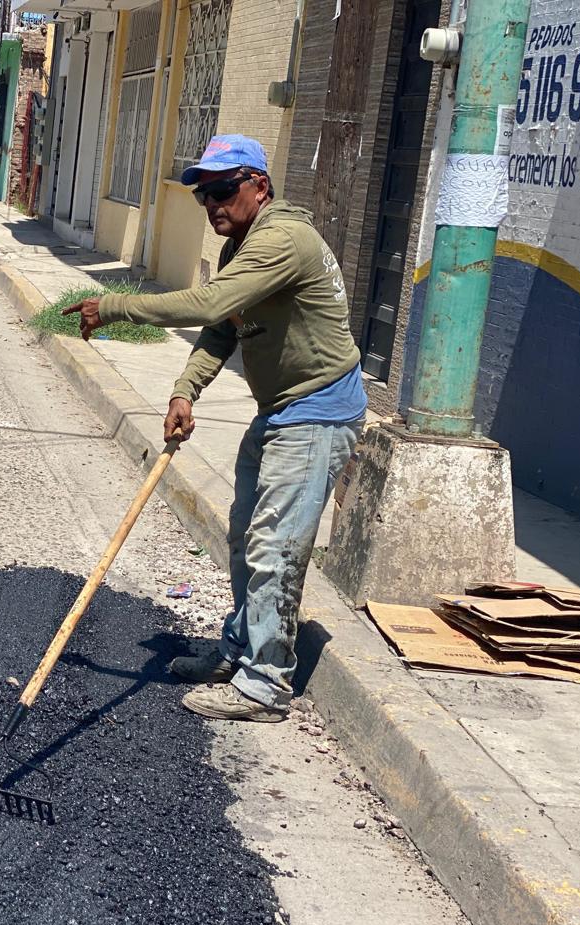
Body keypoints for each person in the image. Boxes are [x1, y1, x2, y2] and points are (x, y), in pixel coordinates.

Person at [62, 135, 366, 722]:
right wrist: (185, 388)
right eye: (204, 195)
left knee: (276, 545)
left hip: (319, 410)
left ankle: (267, 684)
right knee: (245, 535)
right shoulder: (242, 245)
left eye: (224, 190)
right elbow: (224, 327)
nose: (213, 204)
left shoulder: (282, 240)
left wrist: (117, 306)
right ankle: (240, 648)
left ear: (260, 186)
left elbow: (206, 305)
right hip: (280, 408)